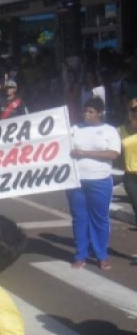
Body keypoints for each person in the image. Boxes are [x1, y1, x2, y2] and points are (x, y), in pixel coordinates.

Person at [67, 96, 120, 270]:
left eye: (91, 112)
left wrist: (85, 153)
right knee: (79, 218)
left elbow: (113, 154)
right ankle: (80, 254)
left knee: (100, 219)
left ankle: (101, 255)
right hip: (76, 181)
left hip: (100, 180)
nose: (86, 115)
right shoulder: (75, 129)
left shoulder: (109, 130)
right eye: (85, 111)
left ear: (100, 113)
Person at [118, 98, 137, 222]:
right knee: (135, 202)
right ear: (128, 112)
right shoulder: (120, 130)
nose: (136, 113)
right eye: (133, 110)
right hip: (130, 175)